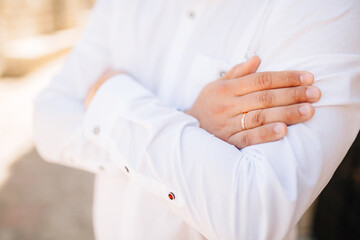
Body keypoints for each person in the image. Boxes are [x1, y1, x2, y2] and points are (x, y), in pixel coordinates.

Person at [33, 0, 360, 239]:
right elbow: (47, 119)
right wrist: (190, 123)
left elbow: (255, 218)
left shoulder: (325, 10)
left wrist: (112, 101)